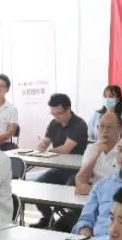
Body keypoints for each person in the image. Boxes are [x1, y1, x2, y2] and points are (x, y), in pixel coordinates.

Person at [30, 93, 90, 228]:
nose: (57, 117)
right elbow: (46, 141)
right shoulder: (54, 123)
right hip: (59, 168)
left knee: (69, 187)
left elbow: (66, 149)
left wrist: (49, 150)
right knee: (37, 185)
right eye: (53, 114)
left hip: (77, 171)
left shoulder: (79, 124)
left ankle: (68, 222)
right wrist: (42, 145)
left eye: (59, 113)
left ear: (68, 109)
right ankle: (47, 217)